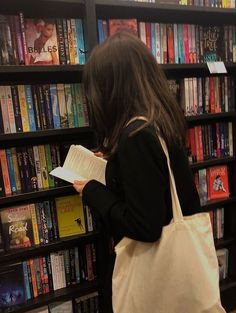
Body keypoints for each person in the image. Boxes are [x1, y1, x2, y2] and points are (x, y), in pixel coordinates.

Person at [73, 31, 202, 313]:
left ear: (112, 87)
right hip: (178, 269)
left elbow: (145, 227)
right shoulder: (157, 119)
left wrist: (92, 191)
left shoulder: (135, 136)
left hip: (154, 275)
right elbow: (156, 186)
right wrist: (114, 162)